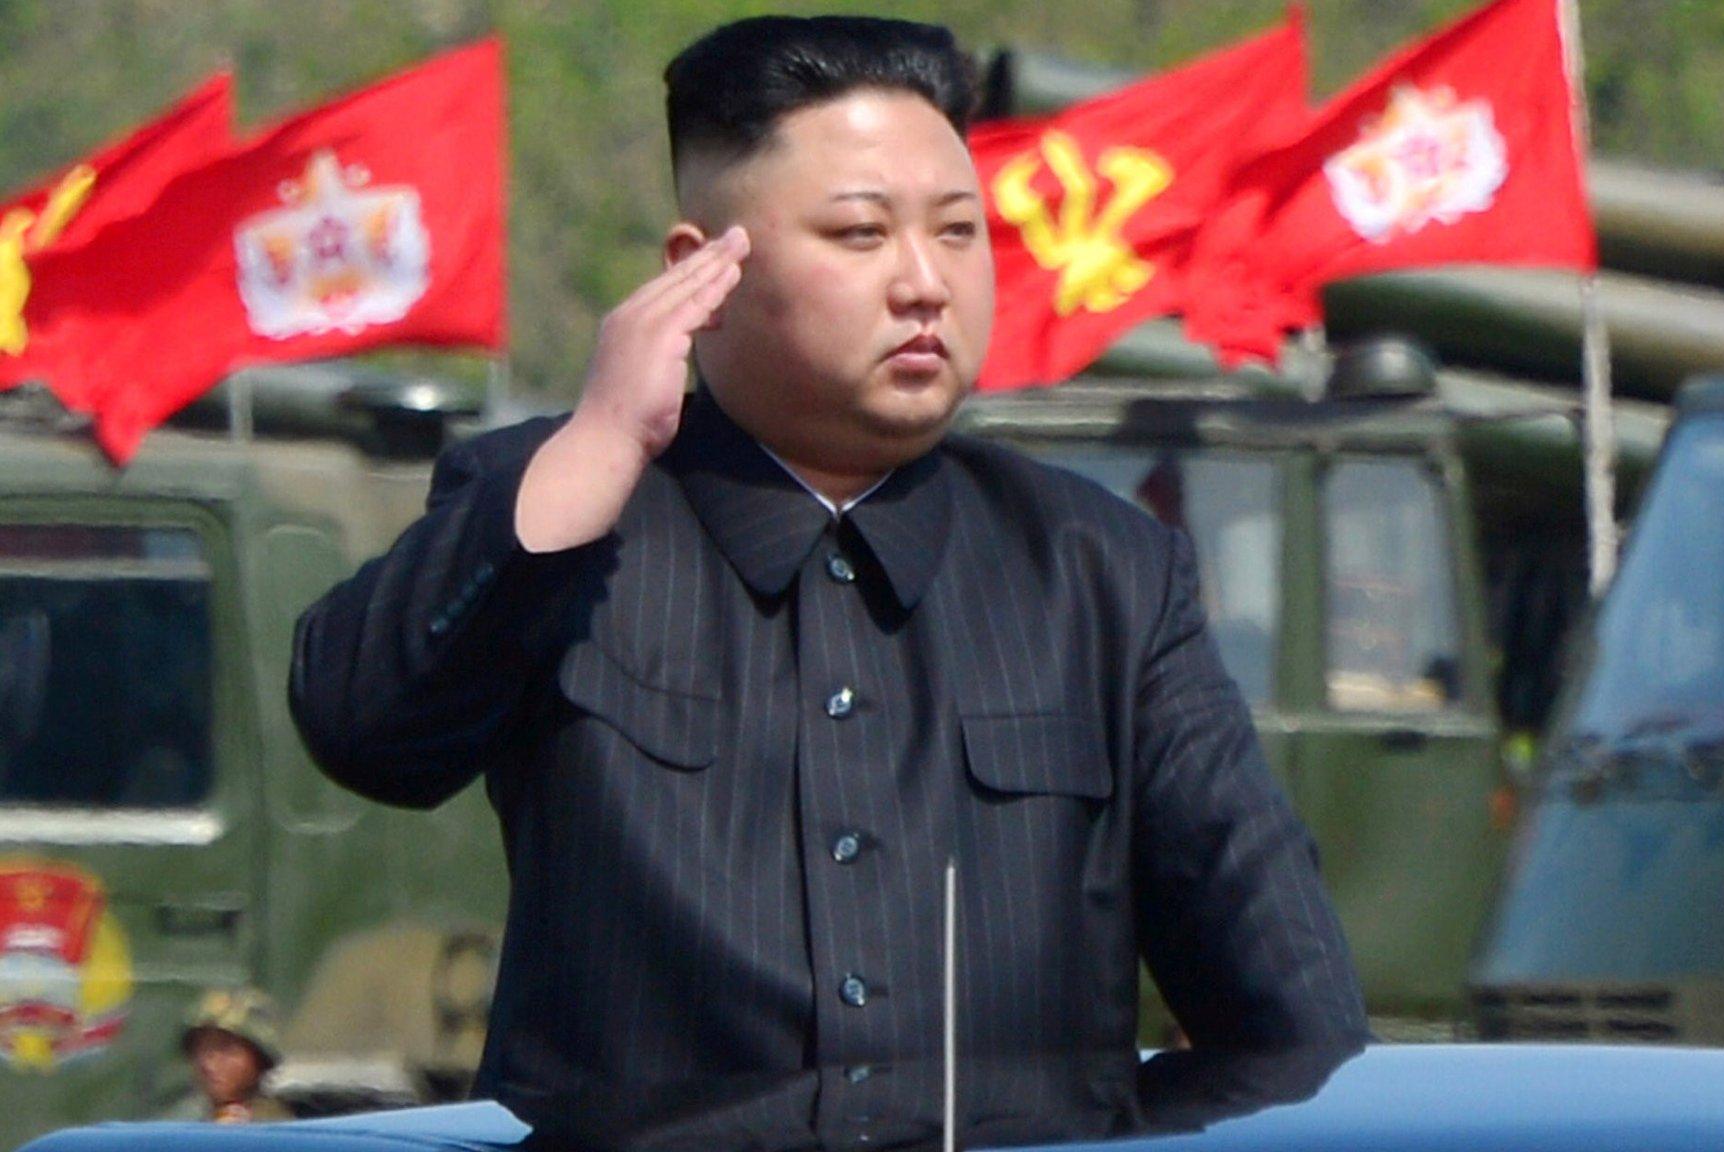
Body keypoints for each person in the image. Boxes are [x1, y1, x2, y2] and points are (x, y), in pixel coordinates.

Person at [289, 14, 1367, 1106]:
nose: (924, 284)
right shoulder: (568, 512)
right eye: (860, 234)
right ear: (697, 270)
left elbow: (1293, 1027)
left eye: (956, 232)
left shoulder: (1103, 574)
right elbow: (365, 731)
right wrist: (602, 441)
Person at [166, 988, 292, 1123]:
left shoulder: (276, 1127)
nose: (208, 1065)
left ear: (259, 1058)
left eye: (225, 1049)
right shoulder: (182, 1120)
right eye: (200, 1049)